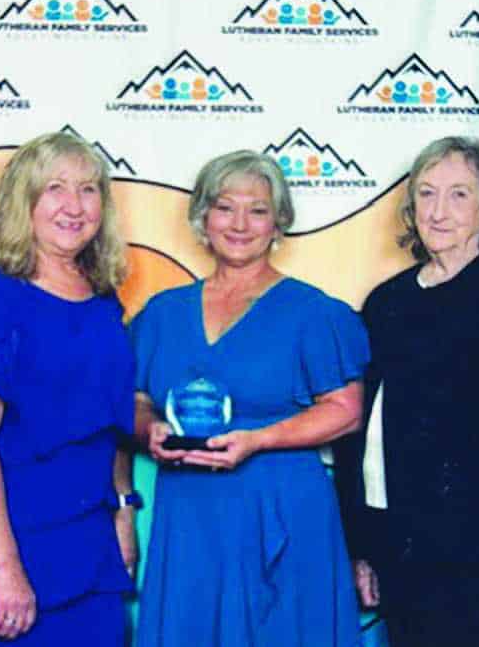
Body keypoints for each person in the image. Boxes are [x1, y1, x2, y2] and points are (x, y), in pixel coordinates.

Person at [131, 150, 368, 646]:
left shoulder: (313, 313)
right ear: (202, 218)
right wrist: (147, 427)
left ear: (278, 223)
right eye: (224, 207)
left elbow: (345, 412)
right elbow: (135, 400)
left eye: (257, 210)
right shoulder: (162, 313)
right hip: (192, 513)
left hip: (281, 504)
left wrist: (258, 440)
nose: (240, 223)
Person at [334, 136, 479, 645]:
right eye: (426, 193)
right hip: (403, 553)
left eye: (459, 195)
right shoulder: (386, 303)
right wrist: (363, 547)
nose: (438, 211)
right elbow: (363, 439)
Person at [0, 133, 138, 645]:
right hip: (9, 546)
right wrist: (6, 570)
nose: (74, 206)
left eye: (88, 190)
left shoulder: (103, 299)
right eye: (55, 189)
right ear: (25, 202)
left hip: (89, 541)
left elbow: (112, 421)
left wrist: (124, 510)